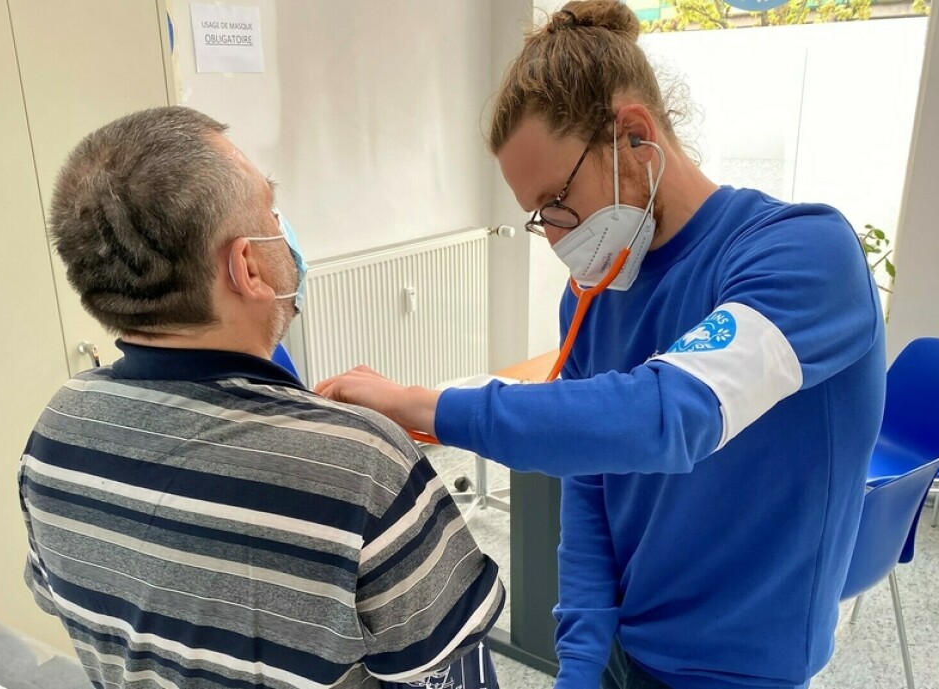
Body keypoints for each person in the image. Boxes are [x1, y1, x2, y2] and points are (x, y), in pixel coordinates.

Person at [316, 3, 886, 689]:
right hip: (624, 647)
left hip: (740, 669)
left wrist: (428, 404)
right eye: (538, 216)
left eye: (558, 199)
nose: (555, 236)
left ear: (636, 137)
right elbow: (589, 483)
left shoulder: (803, 254)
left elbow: (668, 416)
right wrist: (582, 660)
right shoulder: (595, 297)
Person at [18, 106, 504, 689]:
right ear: (247, 265)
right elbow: (443, 662)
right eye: (271, 210)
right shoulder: (361, 463)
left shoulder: (54, 432)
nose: (284, 227)